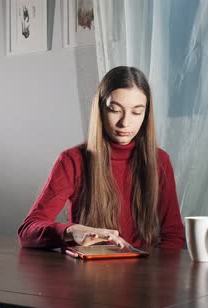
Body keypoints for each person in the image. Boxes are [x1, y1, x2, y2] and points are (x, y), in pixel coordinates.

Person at [18, 66, 185, 250]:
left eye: (137, 112)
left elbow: (174, 236)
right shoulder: (72, 161)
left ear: (146, 115)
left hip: (144, 273)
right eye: (115, 110)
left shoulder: (160, 161)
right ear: (100, 110)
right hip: (87, 274)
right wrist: (72, 231)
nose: (125, 122)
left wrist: (154, 273)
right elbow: (28, 230)